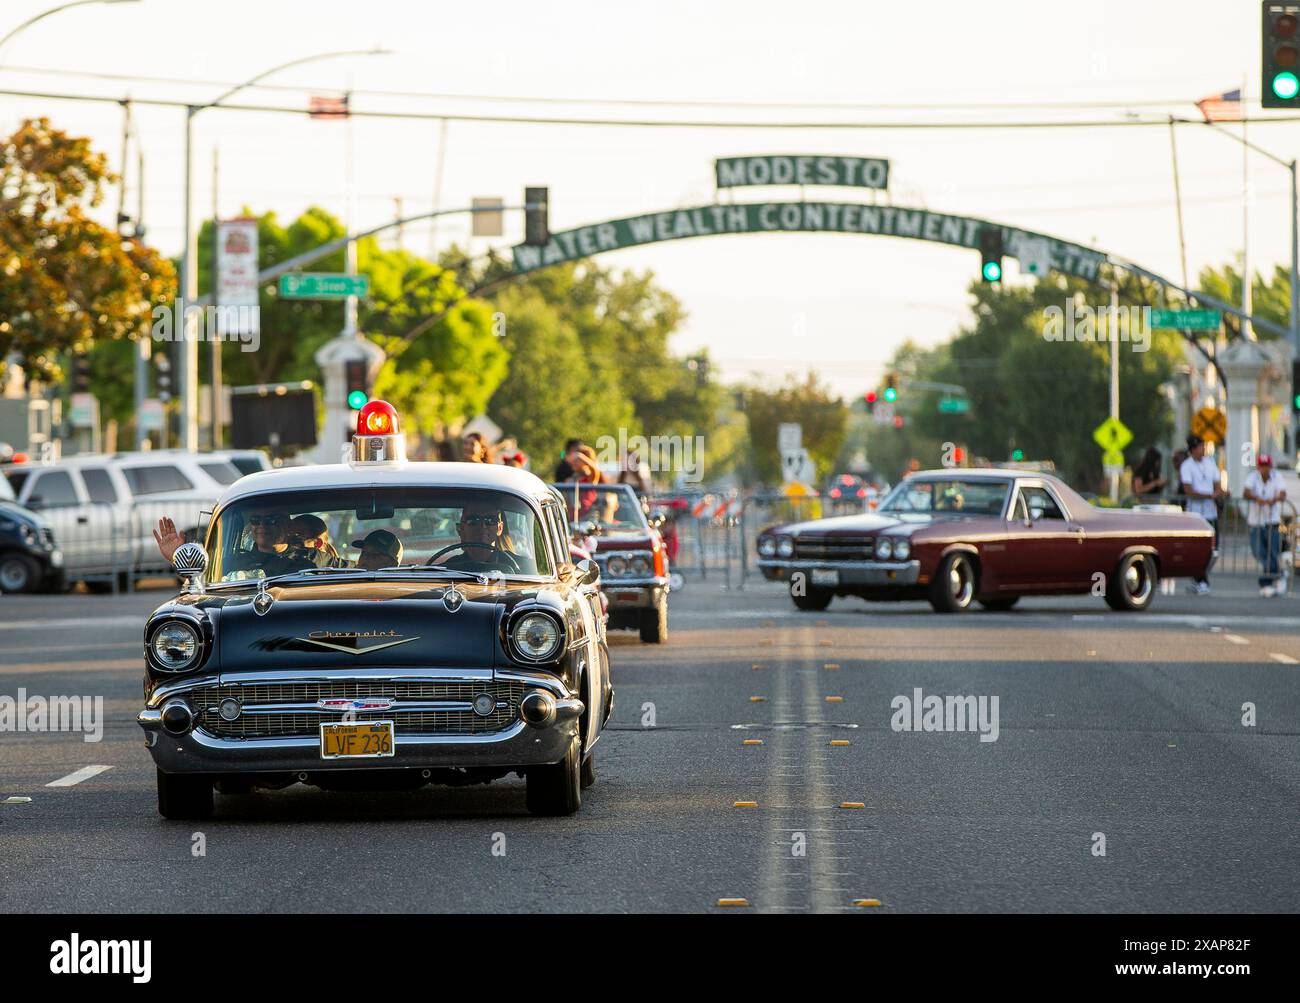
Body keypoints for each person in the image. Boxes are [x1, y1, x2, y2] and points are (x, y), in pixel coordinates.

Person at [1179, 434, 1225, 595]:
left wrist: (1219, 493)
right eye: (1200, 446)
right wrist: (1209, 496)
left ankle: (1198, 578)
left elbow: (1217, 484)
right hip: (1196, 516)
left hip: (1210, 514)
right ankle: (1201, 581)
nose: (1204, 449)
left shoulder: (1210, 463)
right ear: (1193, 449)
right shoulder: (1187, 466)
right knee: (1198, 550)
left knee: (1214, 550)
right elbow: (1188, 490)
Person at [1243, 453, 1287, 597]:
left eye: (1266, 466)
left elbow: (1282, 493)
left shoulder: (1277, 476)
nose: (1264, 469)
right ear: (1258, 466)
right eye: (1262, 466)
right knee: (1259, 552)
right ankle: (1280, 574)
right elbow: (1246, 492)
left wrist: (1274, 499)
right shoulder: (1253, 477)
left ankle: (1266, 583)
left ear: (1270, 466)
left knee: (1272, 552)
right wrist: (1257, 498)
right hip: (1256, 521)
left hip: (1272, 521)